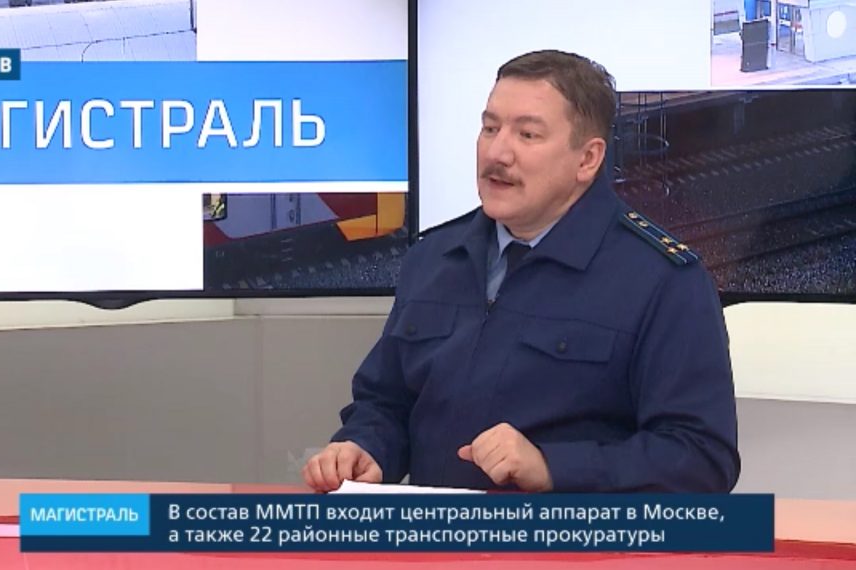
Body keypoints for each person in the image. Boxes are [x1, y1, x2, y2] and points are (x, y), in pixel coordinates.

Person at [302, 50, 741, 493]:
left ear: (587, 159)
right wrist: (365, 447)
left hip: (568, 538)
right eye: (490, 128)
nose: (497, 152)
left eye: (527, 134)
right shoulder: (433, 258)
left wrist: (552, 467)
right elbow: (386, 403)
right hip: (437, 536)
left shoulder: (663, 280)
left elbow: (701, 459)